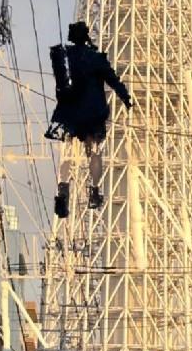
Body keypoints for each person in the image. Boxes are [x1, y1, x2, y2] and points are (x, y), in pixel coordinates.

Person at [46, 20, 133, 216]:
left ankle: (63, 188)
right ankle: (94, 189)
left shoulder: (62, 54)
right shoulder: (96, 58)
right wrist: (126, 98)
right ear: (86, 36)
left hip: (69, 110)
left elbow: (60, 81)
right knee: (94, 150)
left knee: (68, 150)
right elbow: (113, 80)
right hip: (92, 111)